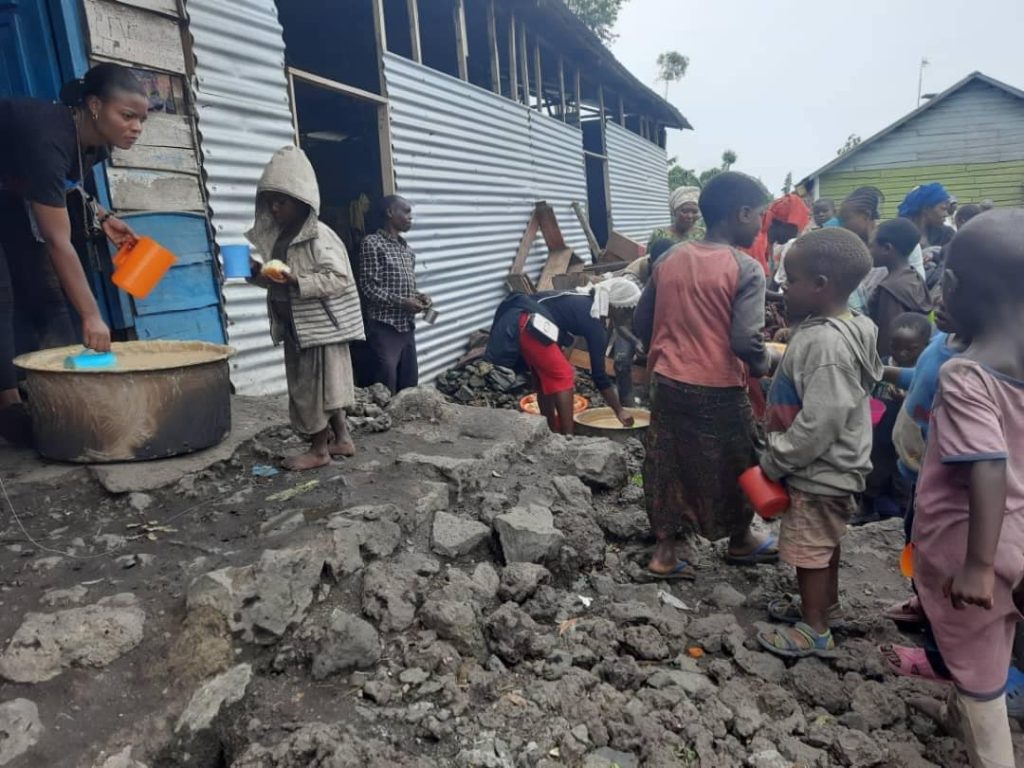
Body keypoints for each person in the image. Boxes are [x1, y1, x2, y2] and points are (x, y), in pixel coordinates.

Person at [902, 209, 1024, 767]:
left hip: (973, 550)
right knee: (999, 646)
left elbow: (988, 465)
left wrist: (976, 564)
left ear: (954, 287)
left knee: (979, 673)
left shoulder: (967, 376)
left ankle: (990, 750)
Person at [634, 171, 777, 580]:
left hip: (668, 382)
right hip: (719, 388)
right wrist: (765, 366)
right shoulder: (746, 268)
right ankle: (740, 539)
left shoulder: (669, 259)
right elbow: (745, 341)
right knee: (741, 461)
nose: (761, 224)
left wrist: (669, 348)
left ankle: (664, 553)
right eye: (760, 216)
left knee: (667, 464)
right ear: (742, 213)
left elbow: (643, 322)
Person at [0, 63, 148, 445]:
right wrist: (93, 316)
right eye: (127, 116)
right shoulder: (47, 135)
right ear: (95, 105)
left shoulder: (95, 144)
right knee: (2, 296)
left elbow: (63, 183)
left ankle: (64, 389)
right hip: (8, 192)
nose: (136, 127)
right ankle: (9, 407)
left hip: (11, 192)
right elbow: (57, 240)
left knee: (47, 290)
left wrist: (103, 215)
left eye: (141, 119)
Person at [756, 228, 883, 658]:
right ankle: (825, 606)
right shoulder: (850, 326)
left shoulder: (824, 342)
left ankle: (815, 630)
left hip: (818, 471)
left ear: (819, 286)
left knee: (808, 548)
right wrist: (774, 357)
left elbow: (819, 421)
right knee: (824, 543)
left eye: (789, 280)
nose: (783, 289)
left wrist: (776, 461)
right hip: (838, 467)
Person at [246, 147, 364, 471]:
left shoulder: (318, 236)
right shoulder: (284, 237)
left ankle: (319, 450)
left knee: (313, 390)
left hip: (318, 328)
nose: (275, 207)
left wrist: (297, 279)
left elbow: (338, 277)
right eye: (270, 201)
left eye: (281, 201)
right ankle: (342, 439)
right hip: (298, 328)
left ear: (302, 200)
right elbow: (278, 281)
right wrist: (257, 274)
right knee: (328, 387)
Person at [484, 278, 639, 435]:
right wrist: (619, 411)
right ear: (616, 305)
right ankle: (567, 439)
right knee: (564, 375)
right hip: (530, 324)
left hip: (521, 319)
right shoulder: (593, 319)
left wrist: (636, 341)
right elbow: (598, 375)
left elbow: (619, 326)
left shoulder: (585, 300)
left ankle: (549, 431)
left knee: (545, 379)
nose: (628, 316)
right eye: (627, 310)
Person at [357, 195, 431, 394]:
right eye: (405, 212)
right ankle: (383, 420)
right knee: (386, 379)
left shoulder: (407, 250)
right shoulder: (372, 243)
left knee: (409, 380)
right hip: (384, 327)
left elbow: (405, 288)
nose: (410, 217)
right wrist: (402, 303)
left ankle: (406, 422)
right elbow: (369, 288)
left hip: (406, 326)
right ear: (390, 212)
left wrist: (420, 296)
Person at [868, 219, 932, 359]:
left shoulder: (890, 289)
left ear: (887, 248)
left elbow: (888, 340)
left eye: (871, 246)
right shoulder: (913, 276)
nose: (869, 250)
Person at [898, 182, 953, 249]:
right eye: (943, 209)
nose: (946, 214)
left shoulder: (947, 234)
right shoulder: (901, 236)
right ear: (926, 209)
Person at [647, 186, 702, 252]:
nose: (690, 216)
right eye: (684, 211)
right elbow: (650, 260)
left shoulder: (703, 235)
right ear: (674, 212)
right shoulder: (659, 235)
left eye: (694, 212)